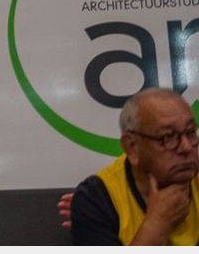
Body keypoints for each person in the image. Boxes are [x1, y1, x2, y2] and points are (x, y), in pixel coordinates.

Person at [69, 88, 198, 245]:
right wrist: (156, 226)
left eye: (191, 132)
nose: (186, 147)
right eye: (168, 137)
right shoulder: (97, 198)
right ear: (132, 147)